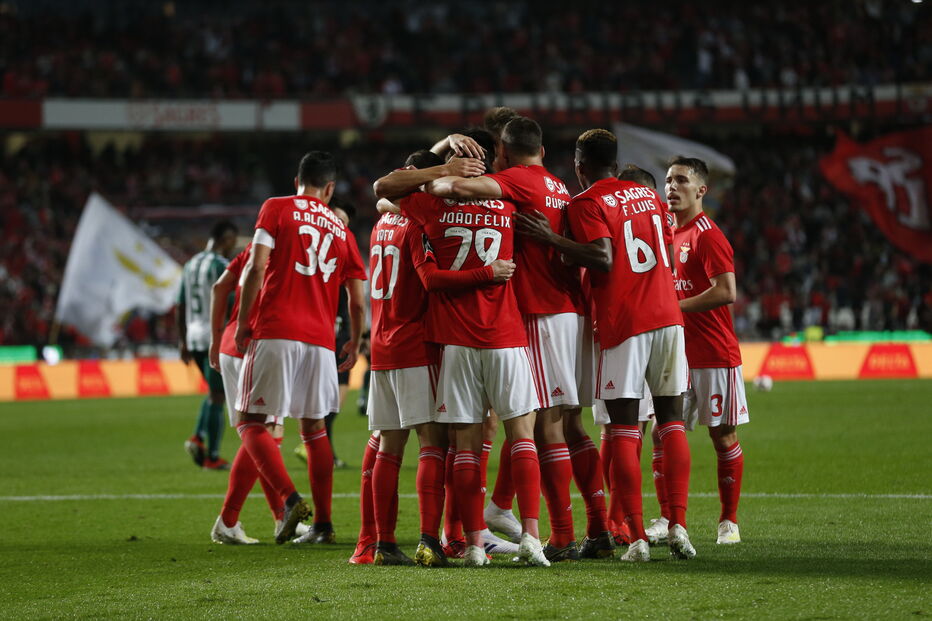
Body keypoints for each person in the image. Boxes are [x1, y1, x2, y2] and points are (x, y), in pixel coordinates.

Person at [426, 116, 612, 562]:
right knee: (564, 422)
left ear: (504, 154)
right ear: (544, 151)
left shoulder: (515, 181)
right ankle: (595, 525)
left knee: (544, 426)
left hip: (537, 312)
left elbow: (454, 191)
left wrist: (441, 168)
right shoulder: (558, 186)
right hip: (568, 310)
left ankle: (562, 534)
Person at [516, 129, 695, 562]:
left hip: (626, 321)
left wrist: (552, 239)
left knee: (623, 429)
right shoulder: (648, 195)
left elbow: (603, 257)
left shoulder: (587, 202)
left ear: (580, 165)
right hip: (669, 316)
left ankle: (635, 538)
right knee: (671, 421)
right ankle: (678, 527)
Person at [374, 128, 550, 567]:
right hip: (505, 334)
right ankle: (531, 536)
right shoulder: (509, 198)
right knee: (520, 434)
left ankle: (473, 544)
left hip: (454, 341)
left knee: (464, 446)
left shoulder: (429, 206)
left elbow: (385, 189)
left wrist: (440, 168)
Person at [234, 151, 368, 545]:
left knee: (249, 421)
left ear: (298, 182)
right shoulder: (343, 231)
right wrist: (355, 340)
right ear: (329, 189)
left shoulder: (277, 207)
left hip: (278, 329)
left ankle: (290, 499)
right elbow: (357, 298)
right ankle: (324, 526)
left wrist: (243, 322)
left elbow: (257, 268)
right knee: (314, 431)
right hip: (321, 342)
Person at [662, 155, 748, 545]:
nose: (672, 187)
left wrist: (672, 308)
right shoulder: (667, 233)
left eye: (681, 180)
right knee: (664, 435)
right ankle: (668, 519)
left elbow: (726, 291)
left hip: (714, 354)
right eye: (668, 180)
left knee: (722, 437)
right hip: (676, 353)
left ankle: (728, 521)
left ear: (701, 190)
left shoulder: (708, 235)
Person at [206, 243, 310, 544]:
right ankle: (238, 517)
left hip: (230, 345)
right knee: (265, 431)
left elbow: (219, 287)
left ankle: (274, 518)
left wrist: (215, 338)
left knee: (258, 435)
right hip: (258, 346)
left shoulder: (250, 251)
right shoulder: (292, 253)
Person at [294, 200, 356, 469]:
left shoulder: (331, 251)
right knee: (329, 395)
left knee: (331, 396)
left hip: (336, 331)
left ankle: (319, 448)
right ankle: (313, 445)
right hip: (327, 332)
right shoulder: (325, 254)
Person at [178, 220, 238, 470]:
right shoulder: (222, 265)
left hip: (193, 337)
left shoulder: (190, 264)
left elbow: (180, 305)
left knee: (214, 392)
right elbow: (232, 302)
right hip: (216, 337)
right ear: (226, 239)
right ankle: (212, 456)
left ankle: (198, 437)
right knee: (217, 395)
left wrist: (182, 340)